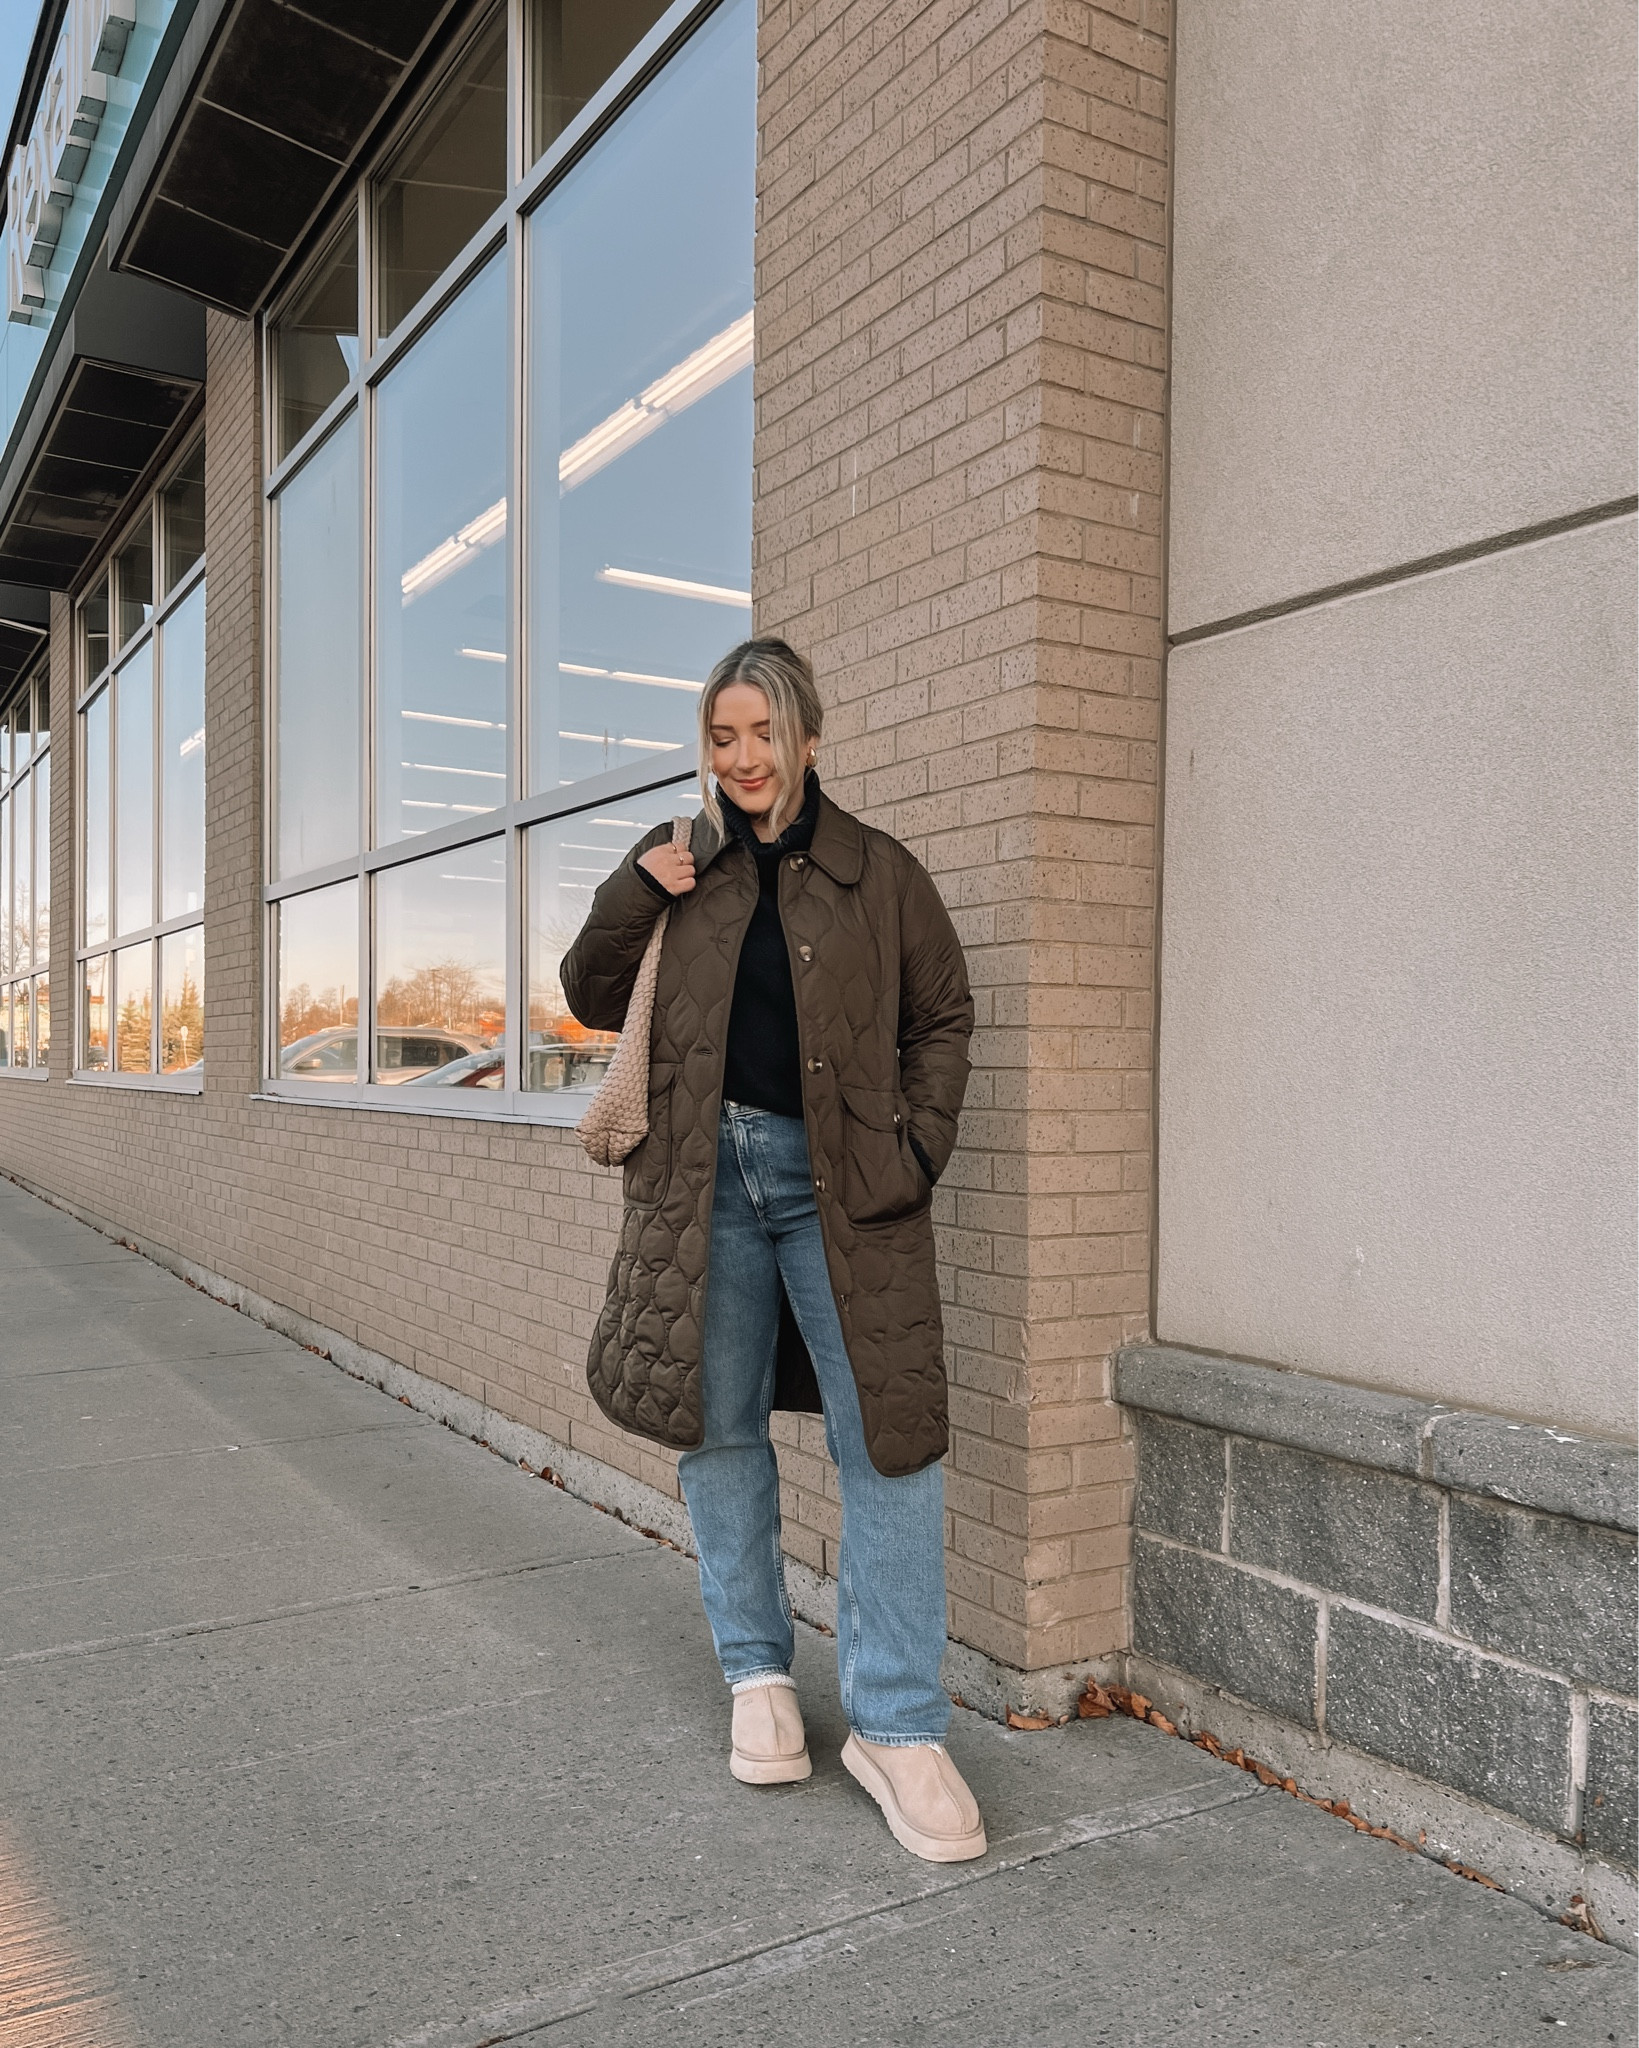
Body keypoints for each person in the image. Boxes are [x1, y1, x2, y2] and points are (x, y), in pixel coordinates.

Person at [561, 637, 985, 1862]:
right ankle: (757, 1673)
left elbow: (941, 1013)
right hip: (701, 1184)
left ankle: (897, 1724)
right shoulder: (676, 864)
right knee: (721, 1425)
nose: (744, 757)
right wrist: (643, 885)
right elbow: (590, 989)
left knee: (888, 1441)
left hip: (840, 1188)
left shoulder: (879, 874)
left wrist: (907, 1156)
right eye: (722, 737)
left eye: (764, 732)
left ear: (809, 735)